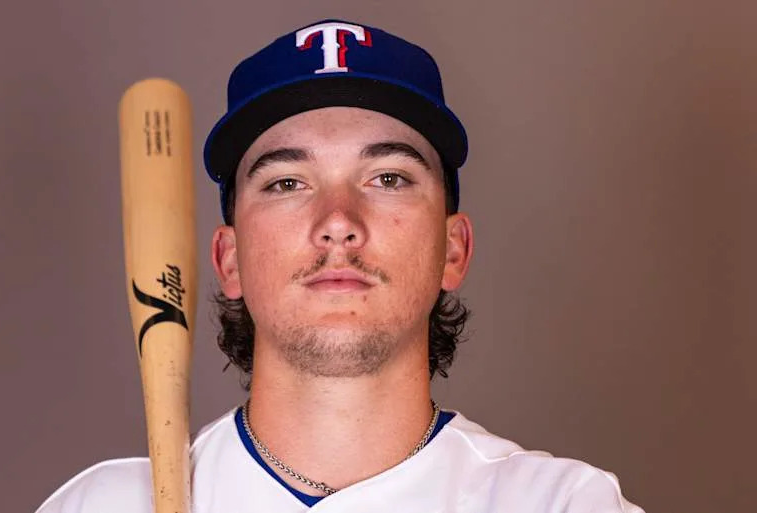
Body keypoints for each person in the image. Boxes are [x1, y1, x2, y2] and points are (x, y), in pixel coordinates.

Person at [36, 19, 644, 512]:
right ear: (229, 260)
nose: (337, 219)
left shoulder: (559, 504)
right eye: (287, 182)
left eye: (388, 177)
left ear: (453, 249)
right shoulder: (106, 505)